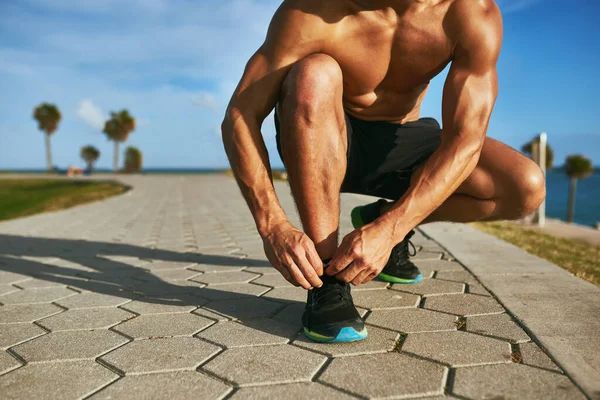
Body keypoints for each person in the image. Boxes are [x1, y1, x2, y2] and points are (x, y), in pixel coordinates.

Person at [221, 0, 546, 343]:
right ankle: (328, 278)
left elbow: (465, 141)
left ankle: (381, 216)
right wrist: (272, 226)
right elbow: (241, 114)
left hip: (404, 139)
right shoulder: (313, 10)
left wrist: (391, 228)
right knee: (314, 74)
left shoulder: (469, 13)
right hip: (325, 135)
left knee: (524, 187)